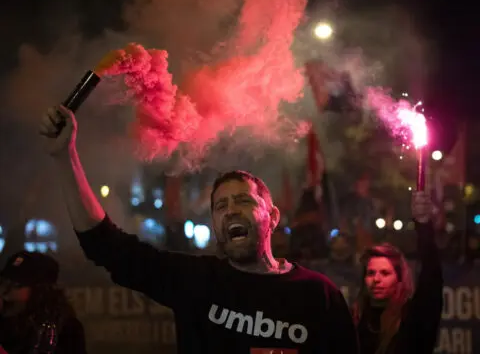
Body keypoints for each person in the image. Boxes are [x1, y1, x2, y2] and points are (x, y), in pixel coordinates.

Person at [39, 105, 359, 354]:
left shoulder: (319, 295)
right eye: (220, 206)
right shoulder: (196, 281)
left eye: (242, 201)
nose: (230, 210)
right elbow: (104, 245)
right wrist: (64, 157)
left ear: (272, 216)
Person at [351, 191, 443, 354]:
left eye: (385, 273)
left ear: (400, 279)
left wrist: (423, 224)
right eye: (371, 273)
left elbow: (432, 275)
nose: (376, 279)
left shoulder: (414, 317)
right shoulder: (357, 319)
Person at [0, 251, 87, 354]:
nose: (6, 292)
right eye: (4, 283)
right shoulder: (5, 323)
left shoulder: (66, 329)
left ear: (40, 291)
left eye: (17, 285)